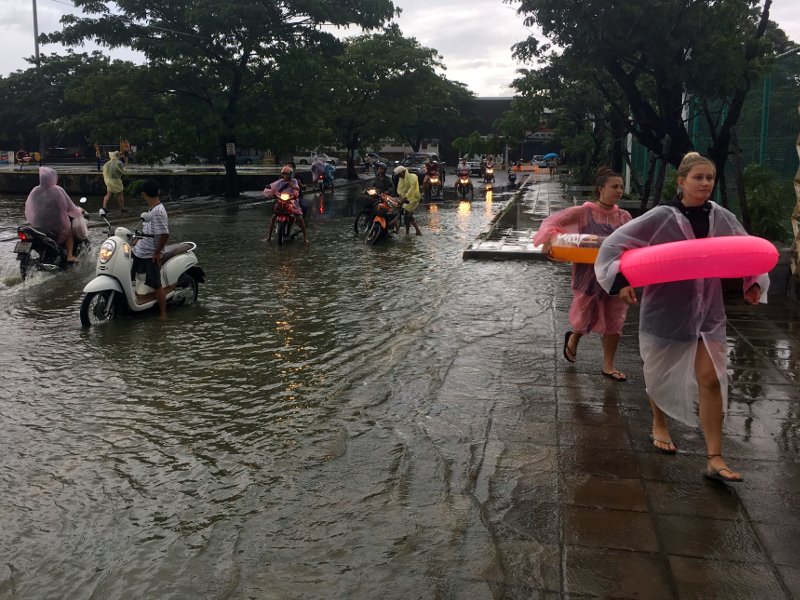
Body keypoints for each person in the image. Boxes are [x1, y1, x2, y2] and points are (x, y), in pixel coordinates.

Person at [595, 152, 770, 482]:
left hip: (709, 312)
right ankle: (659, 422)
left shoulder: (721, 216)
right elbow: (614, 246)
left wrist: (753, 283)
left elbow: (744, 247)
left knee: (711, 378)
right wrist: (621, 282)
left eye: (710, 179)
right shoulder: (662, 217)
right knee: (660, 371)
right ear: (682, 182)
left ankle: (714, 458)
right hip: (667, 308)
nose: (705, 184)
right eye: (698, 178)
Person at [532, 166, 632, 381]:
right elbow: (552, 222)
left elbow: (634, 240)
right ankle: (574, 337)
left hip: (615, 275)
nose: (619, 191)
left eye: (621, 187)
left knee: (615, 319)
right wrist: (550, 240)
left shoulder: (624, 217)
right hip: (588, 274)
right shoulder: (584, 212)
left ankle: (608, 365)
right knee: (585, 316)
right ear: (600, 189)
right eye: (614, 186)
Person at [24, 166, 88, 263]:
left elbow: (29, 206)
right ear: (52, 178)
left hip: (38, 224)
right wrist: (79, 211)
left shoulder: (35, 190)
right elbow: (70, 208)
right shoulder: (57, 190)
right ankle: (70, 255)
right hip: (55, 225)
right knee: (69, 232)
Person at [131, 179, 169, 318]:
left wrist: (157, 252)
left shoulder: (158, 211)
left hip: (150, 253)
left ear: (144, 194)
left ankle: (163, 314)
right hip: (140, 250)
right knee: (130, 274)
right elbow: (148, 230)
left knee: (156, 284)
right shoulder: (151, 208)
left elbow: (164, 234)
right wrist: (135, 240)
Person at [263, 164, 308, 243]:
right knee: (274, 216)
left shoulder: (294, 181)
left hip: (292, 201)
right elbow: (272, 187)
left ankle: (305, 238)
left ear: (290, 175)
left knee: (300, 217)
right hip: (281, 201)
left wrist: (293, 188)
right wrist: (269, 189)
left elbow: (297, 188)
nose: (285, 176)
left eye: (286, 174)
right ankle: (269, 236)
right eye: (283, 174)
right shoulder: (280, 182)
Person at [394, 165, 422, 236]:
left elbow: (412, 190)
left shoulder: (412, 178)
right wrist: (400, 199)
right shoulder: (401, 179)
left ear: (402, 173)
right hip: (405, 199)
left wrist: (404, 199)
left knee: (408, 215)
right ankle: (415, 231)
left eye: (399, 175)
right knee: (405, 214)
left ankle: (409, 232)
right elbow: (400, 190)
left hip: (414, 198)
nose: (399, 177)